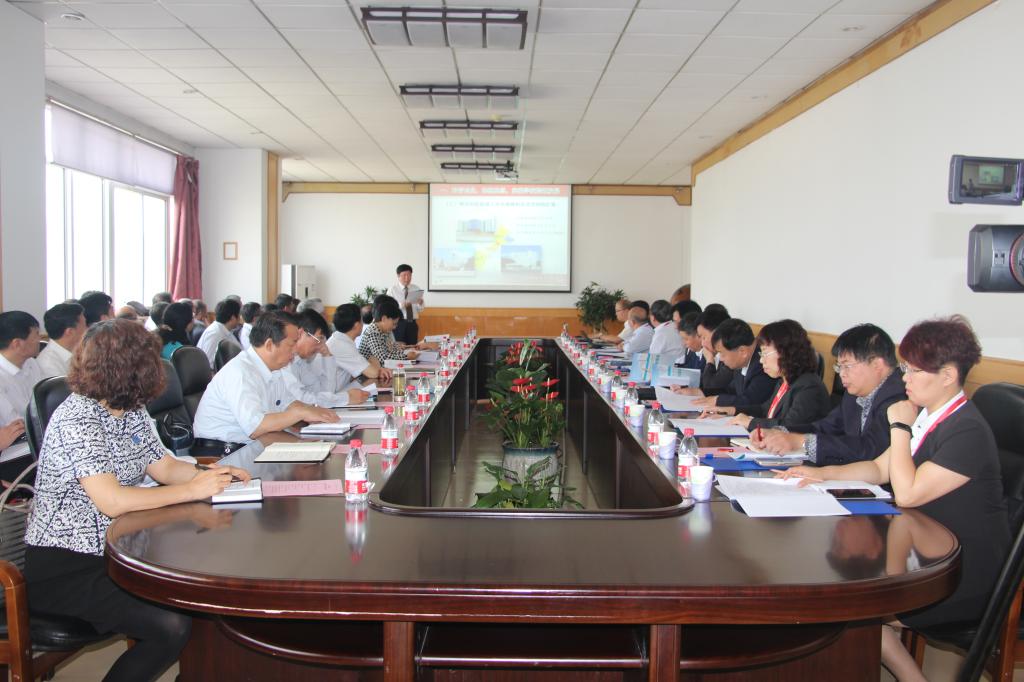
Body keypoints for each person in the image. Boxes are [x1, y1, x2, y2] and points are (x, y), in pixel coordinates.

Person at [778, 316, 1009, 682]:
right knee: (848, 599)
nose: (905, 379)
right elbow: (877, 468)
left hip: (964, 575)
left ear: (948, 376)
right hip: (926, 553)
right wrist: (820, 474)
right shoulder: (930, 417)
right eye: (905, 368)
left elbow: (908, 493)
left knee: (850, 611)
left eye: (915, 371)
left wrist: (899, 426)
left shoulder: (967, 430)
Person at [23, 319, 250, 682]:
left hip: (122, 549)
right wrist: (194, 490)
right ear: (131, 369)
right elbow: (111, 501)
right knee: (171, 624)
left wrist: (213, 476)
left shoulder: (129, 409)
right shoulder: (76, 418)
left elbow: (163, 467)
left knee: (201, 592)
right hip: (69, 566)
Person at [755, 323, 906, 465]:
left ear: (876, 365)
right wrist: (780, 432)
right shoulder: (854, 393)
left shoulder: (898, 396)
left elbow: (870, 449)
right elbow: (824, 427)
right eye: (839, 367)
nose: (842, 374)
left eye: (847, 366)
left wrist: (800, 441)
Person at [194, 312, 340, 443]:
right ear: (269, 345)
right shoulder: (240, 372)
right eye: (291, 345)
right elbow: (256, 427)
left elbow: (288, 403)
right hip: (220, 452)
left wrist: (313, 411)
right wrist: (301, 413)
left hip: (252, 443)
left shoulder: (274, 369)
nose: (295, 351)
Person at [705, 319, 830, 432]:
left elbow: (789, 427)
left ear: (785, 352)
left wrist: (750, 422)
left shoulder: (809, 387)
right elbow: (764, 409)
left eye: (765, 353)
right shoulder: (784, 381)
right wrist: (731, 410)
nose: (761, 360)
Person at [284, 310, 369, 407]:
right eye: (319, 339)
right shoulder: (285, 361)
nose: (321, 346)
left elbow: (325, 392)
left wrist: (327, 355)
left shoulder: (301, 362)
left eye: (323, 340)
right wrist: (346, 398)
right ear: (301, 333)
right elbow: (300, 399)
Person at [692, 318, 776, 408]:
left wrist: (718, 400)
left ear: (742, 351)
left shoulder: (763, 364)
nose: (721, 359)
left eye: (722, 353)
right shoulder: (740, 360)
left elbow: (751, 401)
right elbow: (731, 391)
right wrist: (702, 392)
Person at [0, 312, 42, 463]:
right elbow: (16, 425)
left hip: (33, 441)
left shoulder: (31, 363)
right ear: (17, 343)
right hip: (11, 452)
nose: (40, 339)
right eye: (36, 334)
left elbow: (41, 406)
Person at [327, 303, 392, 386]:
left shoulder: (339, 339)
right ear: (356, 325)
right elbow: (373, 373)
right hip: (334, 393)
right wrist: (378, 369)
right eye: (361, 320)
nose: (363, 324)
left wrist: (375, 366)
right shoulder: (342, 345)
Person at [359, 297, 419, 364]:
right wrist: (406, 357)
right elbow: (382, 358)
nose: (395, 327)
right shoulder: (372, 332)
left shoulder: (384, 330)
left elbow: (391, 349)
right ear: (384, 319)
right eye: (394, 324)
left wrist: (408, 348)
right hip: (370, 368)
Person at [38, 302, 86, 378]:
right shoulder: (49, 365)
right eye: (84, 325)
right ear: (70, 332)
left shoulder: (76, 352)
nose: (87, 329)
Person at [196, 298, 242, 369]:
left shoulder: (225, 330)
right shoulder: (215, 334)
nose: (240, 318)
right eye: (239, 315)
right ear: (233, 318)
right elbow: (209, 365)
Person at [387, 264, 424, 346]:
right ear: (398, 276)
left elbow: (420, 309)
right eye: (404, 275)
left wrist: (420, 304)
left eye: (409, 275)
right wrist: (401, 305)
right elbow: (389, 308)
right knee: (399, 347)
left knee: (413, 347)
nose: (407, 278)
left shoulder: (416, 288)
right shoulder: (392, 290)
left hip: (412, 323)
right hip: (398, 324)